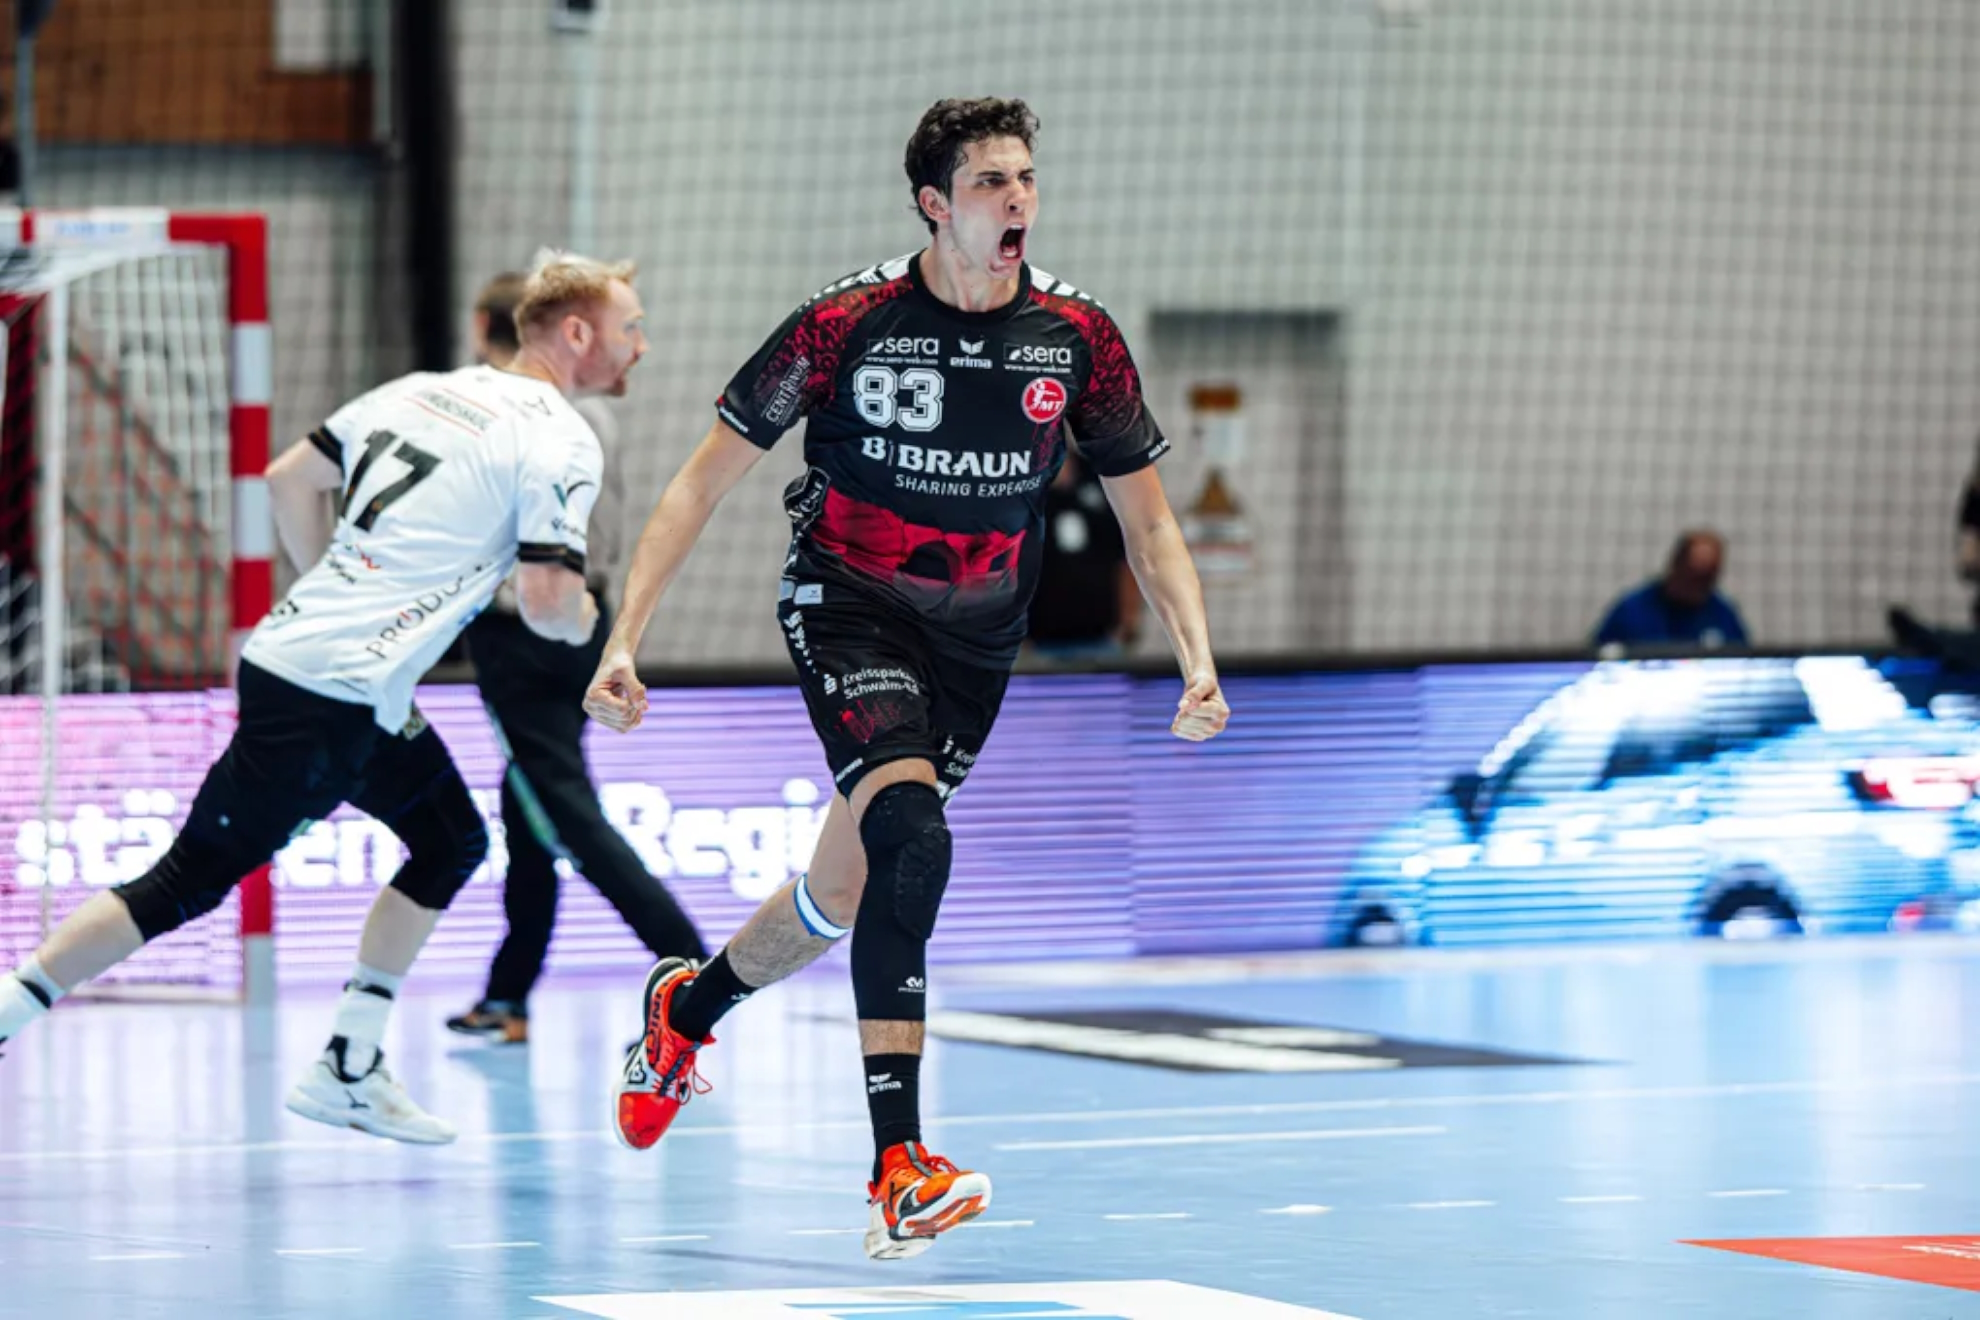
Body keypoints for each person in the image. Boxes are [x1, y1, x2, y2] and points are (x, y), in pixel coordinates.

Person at [584, 97, 1231, 1260]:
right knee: (915, 842)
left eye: (1024, 177)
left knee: (835, 903)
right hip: (849, 605)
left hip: (980, 641)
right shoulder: (844, 325)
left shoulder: (1075, 337)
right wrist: (624, 637)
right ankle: (899, 1166)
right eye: (990, 182)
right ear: (935, 204)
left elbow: (1148, 515)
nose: (1017, 199)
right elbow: (698, 482)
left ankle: (683, 1014)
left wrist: (1197, 655)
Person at [0, 251, 645, 1144]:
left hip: (333, 677)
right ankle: (8, 1013)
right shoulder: (560, 436)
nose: (639, 346)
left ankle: (349, 1061)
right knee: (185, 881)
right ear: (577, 334)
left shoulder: (415, 390)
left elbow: (287, 479)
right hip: (326, 695)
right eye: (630, 327)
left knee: (451, 838)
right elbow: (545, 605)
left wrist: (341, 592)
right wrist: (596, 638)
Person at [445, 273, 704, 1045]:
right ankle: (509, 993)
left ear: (484, 324)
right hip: (576, 621)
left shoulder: (507, 412)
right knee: (530, 809)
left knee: (563, 811)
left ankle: (690, 970)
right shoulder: (588, 411)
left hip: (521, 627)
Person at [1025, 444, 1141, 662]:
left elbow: (1127, 554)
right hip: (1038, 642)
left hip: (1102, 639)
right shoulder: (1019, 481)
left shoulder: (1101, 474)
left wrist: (1128, 622)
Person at [1593, 529, 1750, 649]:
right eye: (1694, 574)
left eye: (1707, 577)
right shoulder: (1632, 611)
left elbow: (1743, 662)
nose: (1699, 585)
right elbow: (1597, 656)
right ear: (1676, 565)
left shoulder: (1723, 615)